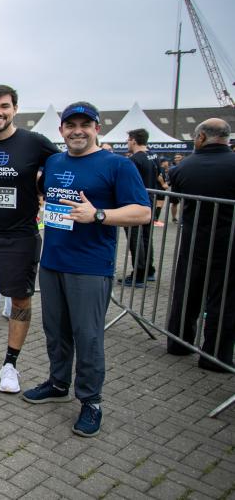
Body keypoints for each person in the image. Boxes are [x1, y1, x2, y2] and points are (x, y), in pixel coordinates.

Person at [23, 101, 151, 437]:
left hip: (91, 267)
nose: (77, 130)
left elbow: (142, 213)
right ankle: (57, 382)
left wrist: (99, 215)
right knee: (56, 331)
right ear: (62, 129)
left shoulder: (116, 165)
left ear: (97, 128)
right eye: (71, 125)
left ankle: (91, 401)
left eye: (85, 124)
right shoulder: (53, 162)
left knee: (88, 336)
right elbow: (43, 194)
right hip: (52, 262)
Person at [0, 84, 59, 392]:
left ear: (14, 108)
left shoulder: (35, 143)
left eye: (4, 106)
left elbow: (63, 166)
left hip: (20, 237)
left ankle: (10, 364)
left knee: (20, 299)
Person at [166, 118, 235, 371]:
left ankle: (177, 342)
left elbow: (176, 185)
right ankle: (216, 355)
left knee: (186, 292)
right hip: (228, 242)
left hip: (194, 239)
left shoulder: (185, 167)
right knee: (224, 300)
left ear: (201, 137)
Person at [118, 128, 158, 287]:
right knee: (147, 237)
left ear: (134, 140)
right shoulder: (152, 156)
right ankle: (149, 270)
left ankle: (139, 274)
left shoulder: (134, 160)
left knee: (136, 238)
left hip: (134, 203)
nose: (127, 143)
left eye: (128, 140)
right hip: (149, 201)